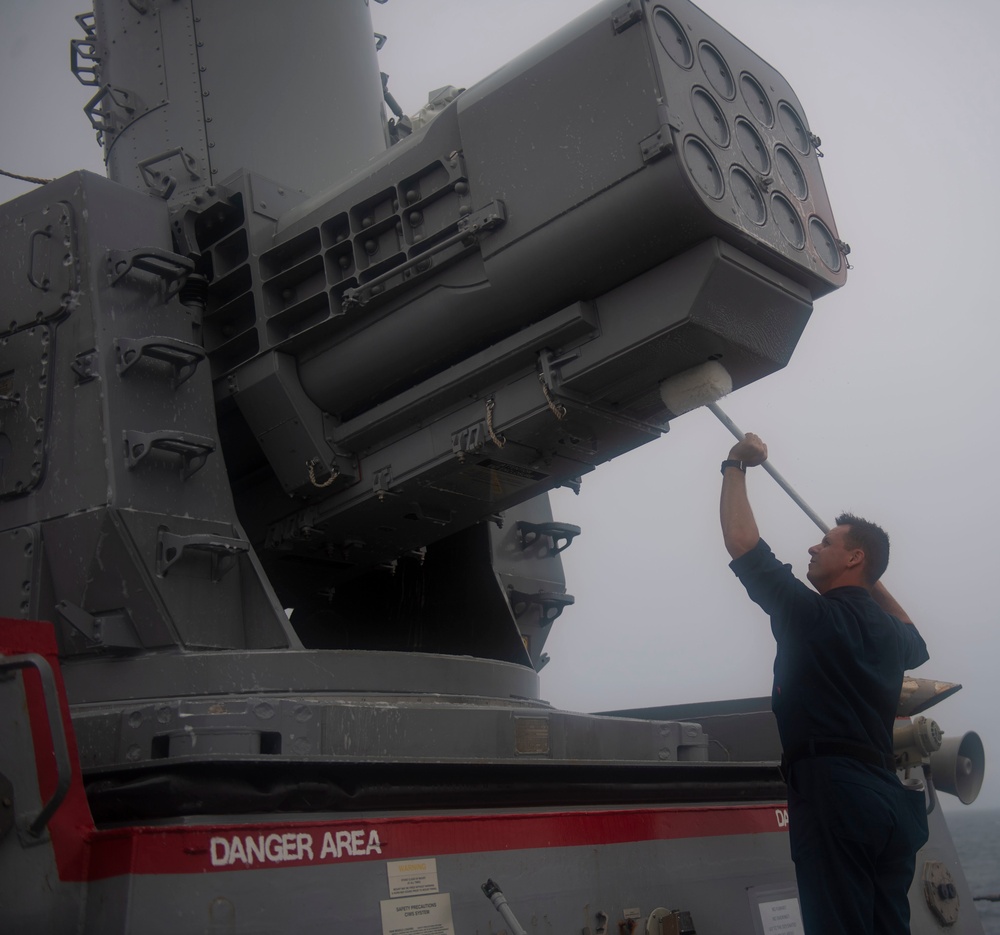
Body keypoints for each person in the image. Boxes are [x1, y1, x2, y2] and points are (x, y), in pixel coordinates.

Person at [719, 432, 930, 935]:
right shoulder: (894, 637)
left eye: (828, 542)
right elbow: (915, 636)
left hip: (835, 793)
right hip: (890, 802)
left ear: (854, 559)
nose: (813, 545)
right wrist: (869, 570)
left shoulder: (812, 616)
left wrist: (734, 465)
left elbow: (743, 545)